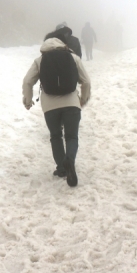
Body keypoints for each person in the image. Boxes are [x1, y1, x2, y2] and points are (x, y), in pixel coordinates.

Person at [23, 27, 91, 187]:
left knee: (55, 136)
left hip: (50, 107)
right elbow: (86, 81)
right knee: (72, 137)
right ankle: (70, 160)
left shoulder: (40, 60)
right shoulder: (73, 57)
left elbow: (28, 81)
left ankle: (61, 168)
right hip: (72, 104)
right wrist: (83, 99)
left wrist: (28, 100)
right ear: (62, 43)